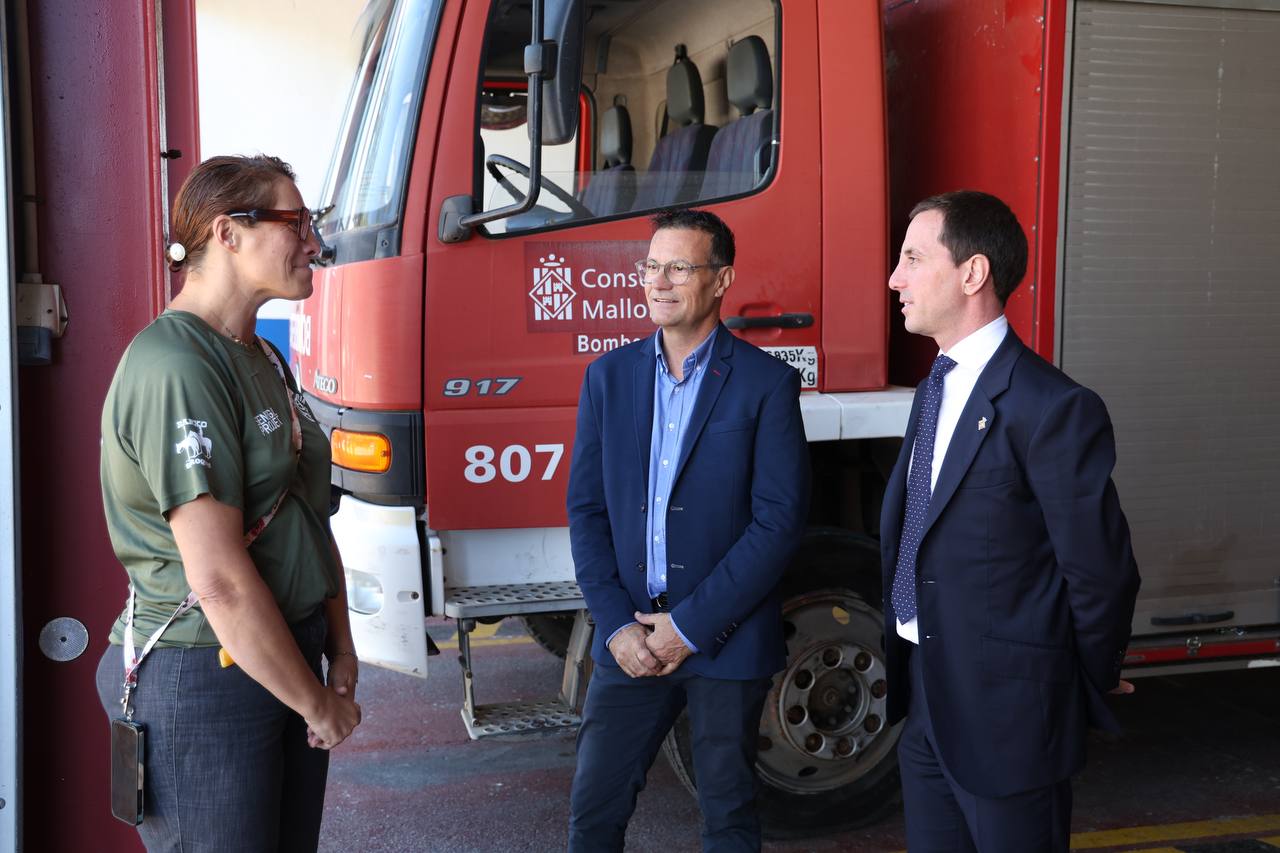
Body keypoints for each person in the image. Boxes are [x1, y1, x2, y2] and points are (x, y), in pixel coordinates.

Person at [94, 154, 361, 852]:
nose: (313, 242)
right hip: (205, 672)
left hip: (280, 651)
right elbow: (214, 576)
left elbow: (306, 512)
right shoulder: (179, 365)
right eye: (295, 222)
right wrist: (315, 702)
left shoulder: (259, 356)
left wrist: (338, 645)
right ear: (227, 233)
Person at [882, 190, 1141, 852]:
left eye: (913, 257)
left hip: (1011, 721)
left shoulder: (1051, 407)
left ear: (972, 274)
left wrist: (1080, 679)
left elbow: (1099, 570)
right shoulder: (934, 389)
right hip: (927, 703)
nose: (895, 278)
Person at [565, 208, 810, 852]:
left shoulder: (767, 384)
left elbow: (779, 522)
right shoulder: (607, 379)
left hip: (723, 641)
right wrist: (615, 625)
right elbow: (587, 512)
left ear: (721, 279)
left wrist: (691, 627)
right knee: (594, 813)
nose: (659, 280)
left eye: (680, 266)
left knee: (728, 817)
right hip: (630, 639)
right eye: (651, 265)